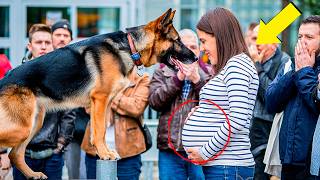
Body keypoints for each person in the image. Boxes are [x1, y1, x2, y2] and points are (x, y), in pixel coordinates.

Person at [181, 8, 259, 180]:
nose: (202, 49)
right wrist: (203, 112)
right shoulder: (231, 65)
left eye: (203, 41)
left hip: (228, 167)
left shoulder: (237, 65)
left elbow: (238, 118)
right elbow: (228, 110)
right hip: (224, 167)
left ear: (220, 36)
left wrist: (205, 152)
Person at [12, 24, 76, 180]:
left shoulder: (62, 77)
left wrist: (60, 146)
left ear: (52, 45)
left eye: (47, 43)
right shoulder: (15, 76)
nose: (43, 47)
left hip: (51, 156)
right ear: (30, 45)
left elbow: (69, 114)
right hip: (23, 155)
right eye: (38, 42)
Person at [148, 29, 211, 180]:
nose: (189, 51)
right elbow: (154, 102)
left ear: (199, 51)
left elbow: (213, 105)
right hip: (170, 149)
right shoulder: (162, 71)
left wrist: (197, 80)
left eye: (193, 47)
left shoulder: (210, 72)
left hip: (201, 150)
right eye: (184, 46)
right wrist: (178, 78)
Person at [265, 15, 320, 179]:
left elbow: (316, 103)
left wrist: (304, 72)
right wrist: (295, 72)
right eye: (300, 37)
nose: (302, 42)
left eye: (309, 37)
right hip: (288, 159)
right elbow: (271, 103)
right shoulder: (289, 64)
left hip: (313, 164)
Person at [81, 66, 150, 180]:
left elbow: (136, 107)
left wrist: (109, 92)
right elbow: (88, 107)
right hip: (95, 151)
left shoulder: (141, 79)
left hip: (128, 153)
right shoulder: (99, 77)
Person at [248, 25, 290, 180]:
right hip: (250, 128)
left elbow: (271, 96)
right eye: (255, 38)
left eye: (263, 39)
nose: (257, 43)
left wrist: (257, 67)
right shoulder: (250, 60)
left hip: (268, 129)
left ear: (274, 43)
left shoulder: (284, 61)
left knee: (260, 174)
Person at [50, 19, 87, 180]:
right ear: (52, 37)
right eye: (58, 34)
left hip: (81, 131)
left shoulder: (81, 64)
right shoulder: (46, 64)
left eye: (66, 35)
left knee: (82, 176)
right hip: (50, 135)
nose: (62, 38)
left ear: (71, 39)